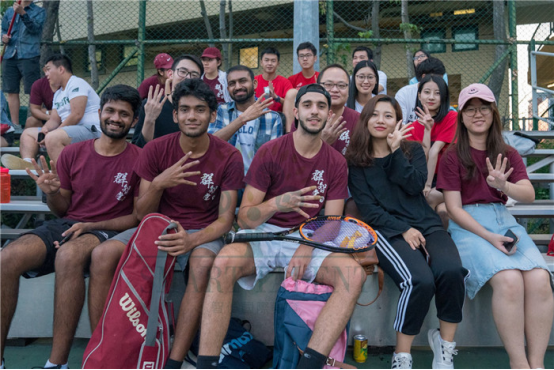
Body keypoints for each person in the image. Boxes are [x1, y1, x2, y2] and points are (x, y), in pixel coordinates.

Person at [196, 84, 366, 370]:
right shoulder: (271, 151)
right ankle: (207, 363)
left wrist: (306, 246)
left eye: (321, 106)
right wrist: (278, 203)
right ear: (296, 112)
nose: (315, 111)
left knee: (354, 274)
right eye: (308, 105)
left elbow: (333, 222)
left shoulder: (336, 161)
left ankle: (310, 364)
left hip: (310, 238)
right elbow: (245, 217)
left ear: (328, 114)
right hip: (267, 233)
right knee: (223, 263)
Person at [88, 79, 244, 370]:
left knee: (200, 266)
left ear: (212, 115)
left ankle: (174, 359)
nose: (191, 116)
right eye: (184, 109)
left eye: (200, 109)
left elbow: (225, 219)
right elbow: (140, 212)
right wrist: (159, 184)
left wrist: (191, 241)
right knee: (102, 254)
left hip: (202, 230)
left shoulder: (229, 155)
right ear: (174, 115)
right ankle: (105, 344)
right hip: (156, 226)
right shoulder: (157, 149)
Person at [0, 85, 143, 370]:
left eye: (124, 114)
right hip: (69, 223)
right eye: (110, 111)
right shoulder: (72, 153)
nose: (116, 118)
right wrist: (51, 192)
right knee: (6, 258)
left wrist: (92, 224)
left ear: (134, 121)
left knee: (68, 256)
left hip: (109, 229)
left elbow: (137, 217)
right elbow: (62, 209)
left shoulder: (140, 158)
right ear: (100, 113)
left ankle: (57, 363)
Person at [347, 95, 468, 370]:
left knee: (451, 271)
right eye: (375, 115)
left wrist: (393, 154)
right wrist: (403, 229)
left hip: (426, 223)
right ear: (365, 120)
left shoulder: (411, 149)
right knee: (419, 280)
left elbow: (416, 187)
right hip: (387, 230)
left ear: (397, 121)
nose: (381, 120)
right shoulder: (356, 161)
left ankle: (445, 346)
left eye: (388, 115)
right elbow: (369, 209)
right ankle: (402, 355)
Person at [438, 84, 554, 369]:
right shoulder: (452, 155)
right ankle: (518, 363)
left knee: (540, 279)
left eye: (484, 107)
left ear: (493, 112)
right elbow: (452, 209)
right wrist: (489, 237)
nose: (478, 114)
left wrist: (504, 185)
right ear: (462, 116)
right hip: (469, 225)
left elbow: (527, 194)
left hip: (503, 220)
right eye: (470, 108)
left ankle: (536, 364)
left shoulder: (507, 152)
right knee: (509, 280)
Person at [1, 54, 101, 170]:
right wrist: (45, 130)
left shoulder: (76, 83)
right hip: (70, 131)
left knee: (53, 137)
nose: (46, 74)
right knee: (28, 133)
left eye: (48, 69)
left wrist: (53, 133)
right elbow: (54, 120)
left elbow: (76, 115)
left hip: (91, 130)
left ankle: (66, 178)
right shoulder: (58, 94)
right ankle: (29, 164)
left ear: (61, 69)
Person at [209, 65, 282, 175]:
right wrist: (242, 119)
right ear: (228, 88)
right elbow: (210, 144)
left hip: (257, 183)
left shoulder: (272, 117)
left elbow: (275, 160)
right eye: (232, 83)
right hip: (225, 180)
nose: (238, 87)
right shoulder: (221, 111)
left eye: (243, 81)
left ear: (254, 84)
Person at [407, 75, 457, 227]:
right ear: (419, 95)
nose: (431, 97)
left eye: (437, 93)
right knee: (438, 209)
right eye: (427, 92)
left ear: (444, 97)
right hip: (426, 175)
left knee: (430, 200)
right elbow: (424, 157)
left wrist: (427, 185)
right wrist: (427, 131)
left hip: (449, 177)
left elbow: (435, 151)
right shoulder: (412, 127)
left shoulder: (451, 117)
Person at [132, 54, 204, 147]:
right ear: (170, 74)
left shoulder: (202, 110)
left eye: (194, 75)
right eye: (182, 71)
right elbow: (138, 148)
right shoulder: (152, 106)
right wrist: (149, 120)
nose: (188, 77)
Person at [292, 65, 360, 157]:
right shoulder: (305, 118)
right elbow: (293, 158)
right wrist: (321, 142)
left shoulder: (358, 120)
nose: (335, 90)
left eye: (341, 85)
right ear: (318, 85)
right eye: (328, 84)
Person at [1, 0, 45, 129]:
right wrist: (3, 37)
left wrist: (23, 14)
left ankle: (33, 124)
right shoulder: (9, 11)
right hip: (10, 54)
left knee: (33, 91)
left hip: (29, 54)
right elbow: (3, 30)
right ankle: (15, 126)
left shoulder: (39, 11)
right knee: (11, 91)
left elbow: (35, 29)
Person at [395, 57, 446, 125]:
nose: (439, 82)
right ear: (424, 77)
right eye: (437, 78)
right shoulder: (404, 93)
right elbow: (401, 123)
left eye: (441, 79)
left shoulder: (442, 92)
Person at [254, 47, 293, 113]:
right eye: (266, 60)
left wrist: (276, 97)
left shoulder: (285, 82)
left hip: (278, 117)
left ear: (278, 64)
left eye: (273, 61)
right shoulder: (254, 81)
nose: (269, 63)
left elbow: (292, 104)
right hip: (256, 116)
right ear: (261, 63)